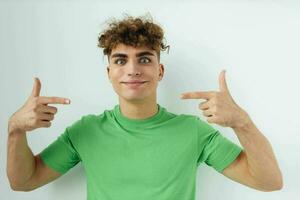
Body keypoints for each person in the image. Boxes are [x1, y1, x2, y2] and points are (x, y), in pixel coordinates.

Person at [7, 15, 283, 199]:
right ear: (108, 73)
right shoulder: (85, 131)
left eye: (144, 59)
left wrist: (241, 122)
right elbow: (23, 182)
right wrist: (15, 130)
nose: (132, 70)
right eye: (120, 60)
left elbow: (269, 181)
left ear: (160, 70)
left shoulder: (193, 131)